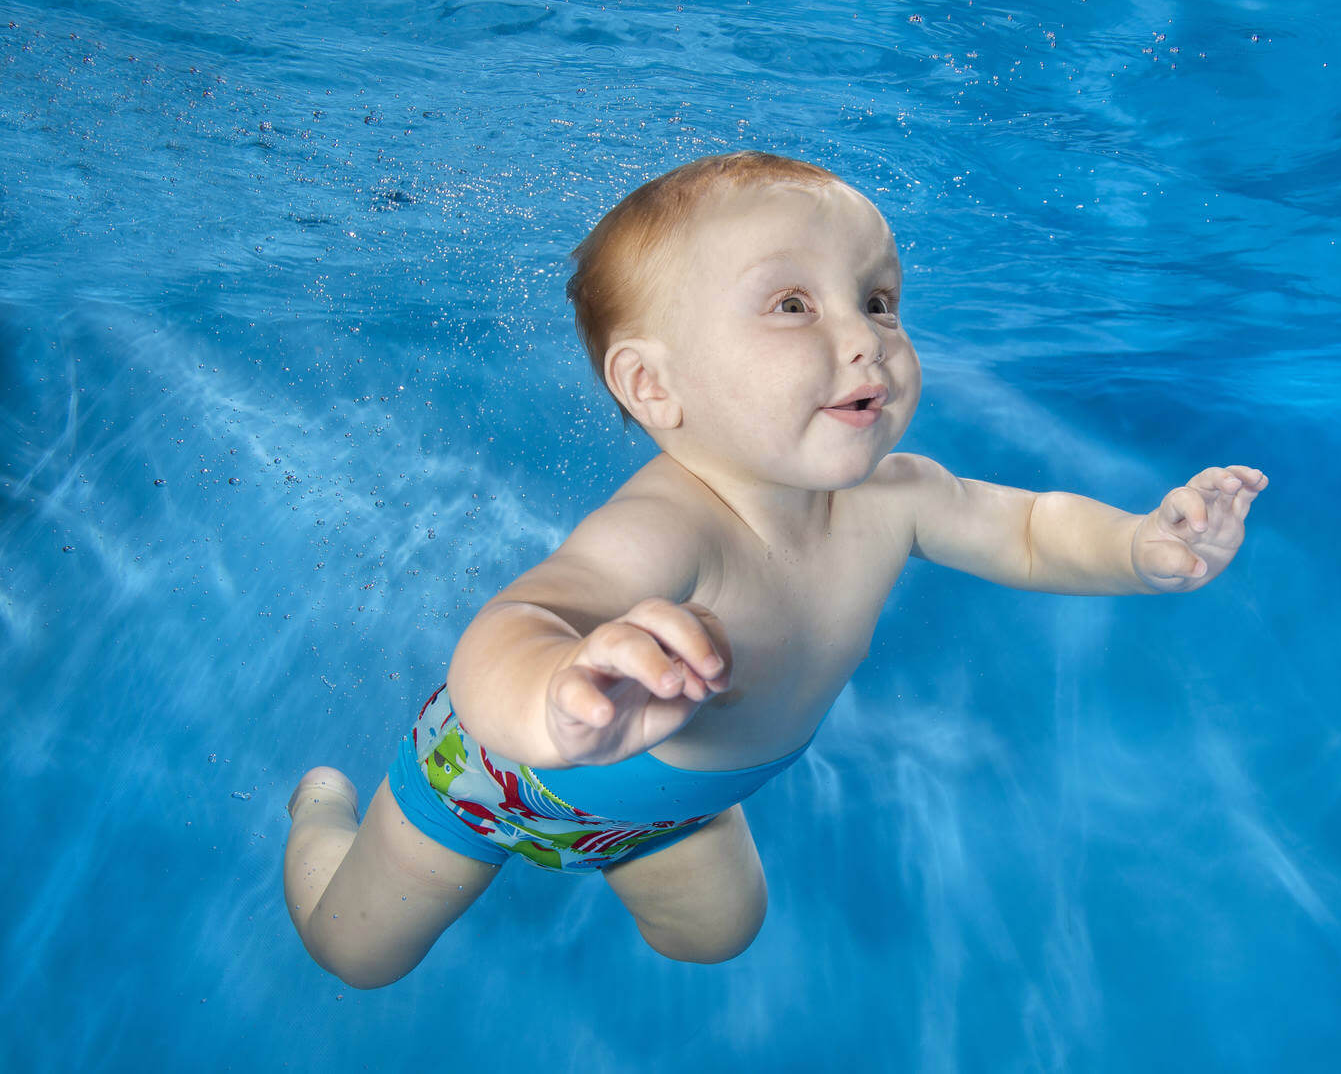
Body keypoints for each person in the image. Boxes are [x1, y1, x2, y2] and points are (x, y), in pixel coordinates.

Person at [282, 151, 1268, 989]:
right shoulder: (674, 525)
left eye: (878, 300)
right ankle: (324, 811)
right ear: (654, 386)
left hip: (672, 806)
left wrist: (1143, 548)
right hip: (498, 774)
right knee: (355, 953)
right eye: (792, 304)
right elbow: (523, 617)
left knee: (715, 937)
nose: (865, 339)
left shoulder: (898, 497)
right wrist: (554, 698)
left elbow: (1029, 531)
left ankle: (624, 859)